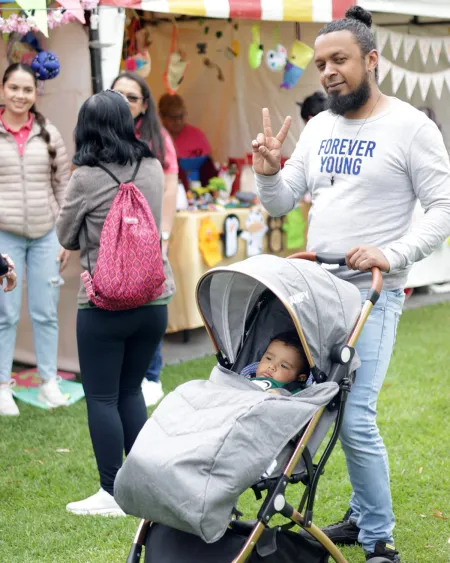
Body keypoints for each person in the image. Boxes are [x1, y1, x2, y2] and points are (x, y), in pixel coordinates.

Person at [251, 6, 450, 562]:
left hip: (374, 296)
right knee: (316, 406)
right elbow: (283, 198)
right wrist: (269, 170)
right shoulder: (319, 127)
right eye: (319, 64)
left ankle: (379, 539)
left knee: (356, 417)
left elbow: (442, 209)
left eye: (339, 60)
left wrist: (393, 252)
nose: (328, 72)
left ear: (371, 60)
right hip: (317, 293)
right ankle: (361, 515)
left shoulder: (412, 126)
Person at [56, 90, 174, 515]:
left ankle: (111, 492)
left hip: (103, 304)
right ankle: (141, 487)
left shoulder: (85, 177)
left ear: (85, 129)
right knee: (130, 391)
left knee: (102, 397)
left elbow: (66, 236)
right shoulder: (153, 166)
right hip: (153, 300)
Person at [0, 63, 71, 417]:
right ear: (2, 89)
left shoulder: (48, 133)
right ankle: (1, 386)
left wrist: (64, 236)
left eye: (27, 90)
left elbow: (63, 185)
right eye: (14, 87)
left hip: (46, 234)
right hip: (4, 236)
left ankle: (48, 382)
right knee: (4, 313)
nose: (20, 95)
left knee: (45, 311)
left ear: (35, 94)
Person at [111, 72, 178, 407]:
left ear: (144, 105)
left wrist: (164, 234)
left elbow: (170, 186)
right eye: (117, 94)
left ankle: (151, 375)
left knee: (151, 305)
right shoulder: (102, 134)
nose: (124, 102)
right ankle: (124, 374)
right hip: (112, 239)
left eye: (131, 97)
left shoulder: (156, 136)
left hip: (149, 237)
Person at [241, 332, 310, 395]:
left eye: (283, 366)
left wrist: (281, 397)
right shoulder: (246, 377)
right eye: (268, 358)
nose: (271, 366)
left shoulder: (292, 390)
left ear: (300, 378)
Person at [158, 92, 212, 159]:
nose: (178, 121)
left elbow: (208, 164)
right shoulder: (153, 137)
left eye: (181, 116)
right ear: (162, 116)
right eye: (173, 117)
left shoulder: (197, 136)